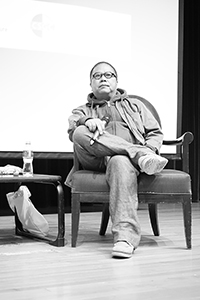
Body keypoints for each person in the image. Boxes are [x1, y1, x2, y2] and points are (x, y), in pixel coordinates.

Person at [66, 61, 168, 259]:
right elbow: (72, 124)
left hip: (124, 164)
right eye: (97, 76)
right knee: (79, 132)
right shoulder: (83, 109)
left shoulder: (135, 105)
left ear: (116, 80)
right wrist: (87, 121)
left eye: (108, 75)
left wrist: (150, 148)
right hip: (96, 159)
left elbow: (155, 132)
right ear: (91, 84)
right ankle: (139, 155)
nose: (103, 78)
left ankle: (125, 239)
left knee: (119, 160)